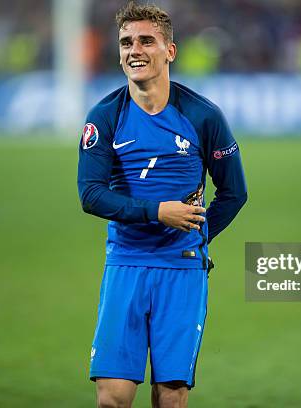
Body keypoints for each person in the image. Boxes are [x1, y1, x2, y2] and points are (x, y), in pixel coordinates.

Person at [77, 2, 247, 407]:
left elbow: (234, 192)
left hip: (182, 267)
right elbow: (91, 194)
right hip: (126, 262)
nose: (134, 50)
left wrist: (197, 234)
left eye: (146, 41)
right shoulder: (104, 116)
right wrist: (158, 213)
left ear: (170, 50)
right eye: (126, 42)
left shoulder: (203, 116)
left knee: (170, 398)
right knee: (111, 399)